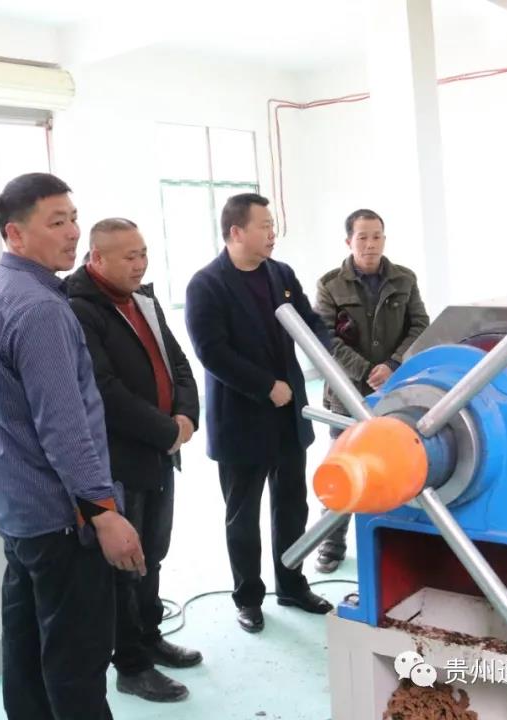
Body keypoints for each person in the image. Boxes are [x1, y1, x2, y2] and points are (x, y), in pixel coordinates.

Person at [0, 174, 144, 720]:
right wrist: (103, 512)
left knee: (26, 657)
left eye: (73, 218)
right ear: (15, 234)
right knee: (76, 665)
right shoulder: (39, 309)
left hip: (19, 515)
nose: (72, 233)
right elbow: (64, 427)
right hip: (63, 519)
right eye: (56, 222)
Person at [65, 218, 202, 702]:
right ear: (97, 258)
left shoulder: (143, 298)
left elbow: (177, 363)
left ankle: (150, 636)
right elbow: (104, 390)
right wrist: (167, 431)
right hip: (120, 459)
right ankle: (130, 664)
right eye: (129, 257)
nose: (140, 264)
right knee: (125, 565)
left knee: (154, 553)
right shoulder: (80, 309)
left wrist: (187, 416)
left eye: (143, 253)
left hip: (160, 454)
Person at [184, 192, 334, 634]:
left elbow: (309, 321)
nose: (272, 233)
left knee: (291, 506)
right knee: (243, 516)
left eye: (272, 225)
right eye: (264, 226)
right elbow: (212, 352)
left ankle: (292, 584)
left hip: (288, 418)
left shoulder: (280, 274)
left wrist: (327, 354)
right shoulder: (206, 285)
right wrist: (266, 386)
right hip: (241, 420)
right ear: (236, 232)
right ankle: (248, 597)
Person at [313, 208, 429, 573]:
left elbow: (420, 326)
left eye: (376, 236)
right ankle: (331, 543)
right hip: (347, 394)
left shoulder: (404, 279)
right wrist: (365, 371)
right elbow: (324, 338)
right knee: (344, 466)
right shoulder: (330, 285)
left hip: (395, 392)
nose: (370, 244)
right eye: (362, 237)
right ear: (349, 241)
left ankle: (394, 543)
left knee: (393, 463)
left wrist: (393, 364)